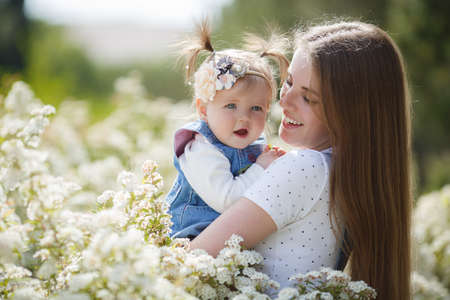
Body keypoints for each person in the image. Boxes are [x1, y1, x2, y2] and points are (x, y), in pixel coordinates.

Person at [191, 20, 412, 300]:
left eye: (308, 99)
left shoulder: (305, 167)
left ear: (351, 114)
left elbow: (188, 264)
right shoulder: (351, 174)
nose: (284, 102)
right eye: (289, 82)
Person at [166, 21, 288, 239]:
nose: (244, 117)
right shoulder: (200, 147)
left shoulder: (255, 144)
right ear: (203, 110)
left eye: (256, 108)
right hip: (190, 240)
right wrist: (261, 168)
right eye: (231, 106)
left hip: (230, 240)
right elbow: (227, 200)